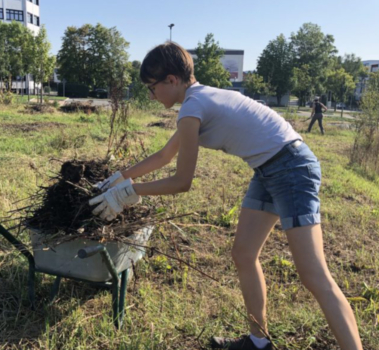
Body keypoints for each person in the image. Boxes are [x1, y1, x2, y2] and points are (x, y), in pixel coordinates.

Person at [89, 42, 363, 350]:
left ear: (172, 80)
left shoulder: (194, 107)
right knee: (244, 254)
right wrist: (119, 178)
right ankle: (258, 342)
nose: (151, 96)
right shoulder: (200, 99)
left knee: (314, 275)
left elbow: (182, 181)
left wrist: (129, 192)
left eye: (152, 88)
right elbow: (165, 155)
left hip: (291, 168)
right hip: (269, 168)